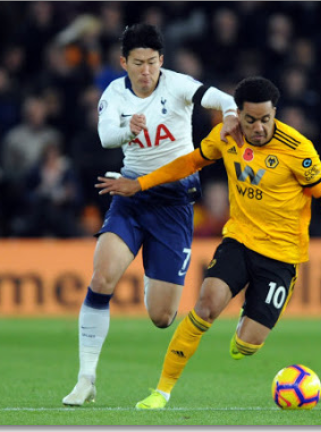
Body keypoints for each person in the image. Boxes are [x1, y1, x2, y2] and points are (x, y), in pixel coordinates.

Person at [95, 76, 321, 409]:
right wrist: (140, 183)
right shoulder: (226, 136)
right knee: (206, 306)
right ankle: (162, 392)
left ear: (274, 114)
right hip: (239, 240)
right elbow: (190, 162)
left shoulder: (298, 150)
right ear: (237, 114)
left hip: (282, 255)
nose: (258, 128)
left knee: (247, 344)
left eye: (265, 119)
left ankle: (246, 330)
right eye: (251, 119)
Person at [62, 23, 243, 406]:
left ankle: (154, 269)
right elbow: (106, 136)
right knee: (102, 277)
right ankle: (85, 379)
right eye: (138, 63)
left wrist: (229, 114)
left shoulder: (177, 85)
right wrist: (128, 130)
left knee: (162, 317)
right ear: (123, 63)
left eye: (152, 63)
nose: (146, 71)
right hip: (130, 195)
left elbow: (223, 98)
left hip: (173, 203)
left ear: (162, 60)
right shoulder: (114, 93)